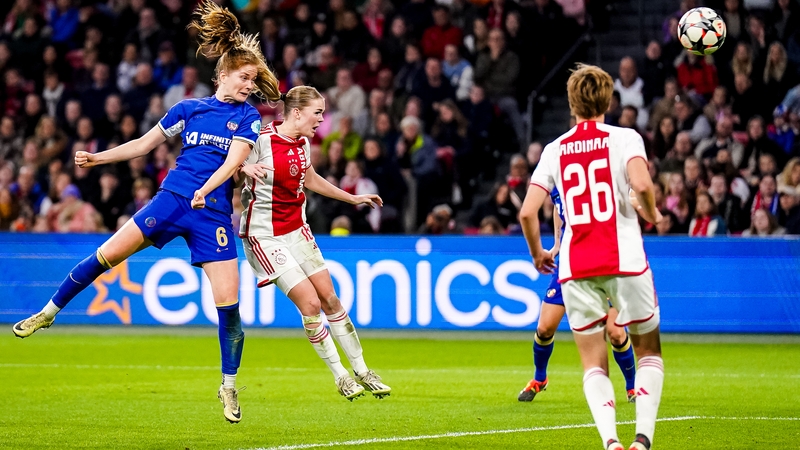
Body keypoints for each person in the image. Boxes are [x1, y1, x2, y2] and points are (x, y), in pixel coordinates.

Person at [11, 1, 281, 424]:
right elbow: (143, 145)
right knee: (105, 256)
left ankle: (228, 386)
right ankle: (47, 314)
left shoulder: (247, 117)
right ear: (222, 75)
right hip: (172, 200)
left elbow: (234, 162)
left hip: (211, 213)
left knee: (229, 306)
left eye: (253, 79)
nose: (250, 85)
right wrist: (97, 158)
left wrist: (206, 190)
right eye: (244, 77)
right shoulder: (188, 109)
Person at [520, 64, 664, 450]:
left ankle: (611, 442)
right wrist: (652, 213)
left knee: (593, 363)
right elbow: (642, 184)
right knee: (649, 351)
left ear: (571, 104)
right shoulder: (626, 138)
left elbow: (526, 212)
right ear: (609, 101)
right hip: (626, 260)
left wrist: (538, 254)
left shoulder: (554, 150)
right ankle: (642, 439)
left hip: (576, 265)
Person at [238, 85, 392, 401]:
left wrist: (352, 198)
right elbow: (228, 165)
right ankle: (340, 376)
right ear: (297, 113)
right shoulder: (261, 141)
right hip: (264, 235)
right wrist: (242, 167)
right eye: (317, 112)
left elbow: (309, 179)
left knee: (330, 299)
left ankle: (363, 371)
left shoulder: (303, 143)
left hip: (297, 230)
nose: (322, 119)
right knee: (309, 304)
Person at [518, 190, 638, 404]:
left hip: (604, 264)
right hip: (569, 263)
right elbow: (559, 207)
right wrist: (557, 243)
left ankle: (632, 387)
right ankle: (539, 378)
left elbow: (631, 199)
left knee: (616, 333)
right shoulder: (560, 179)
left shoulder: (604, 177)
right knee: (544, 328)